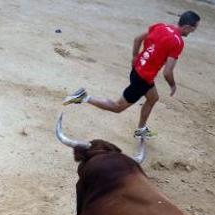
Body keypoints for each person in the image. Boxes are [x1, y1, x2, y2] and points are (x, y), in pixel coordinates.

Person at [62, 10, 200, 138]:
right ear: (187, 26)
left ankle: (141, 130)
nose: (194, 31)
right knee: (117, 107)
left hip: (138, 68)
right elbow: (167, 72)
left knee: (153, 98)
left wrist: (135, 56)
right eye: (194, 29)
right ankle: (83, 97)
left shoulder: (162, 26)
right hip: (143, 78)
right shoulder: (177, 42)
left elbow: (137, 39)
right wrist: (173, 85)